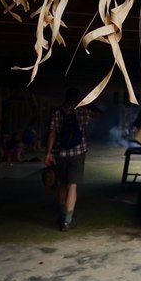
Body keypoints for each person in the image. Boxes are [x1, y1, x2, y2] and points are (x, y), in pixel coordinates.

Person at [45, 88, 102, 232]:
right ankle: (67, 222)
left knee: (62, 184)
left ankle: (62, 215)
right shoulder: (83, 111)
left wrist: (48, 152)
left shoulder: (57, 112)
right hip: (78, 152)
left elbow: (52, 133)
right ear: (78, 98)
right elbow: (100, 115)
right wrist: (88, 102)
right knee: (72, 185)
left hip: (61, 153)